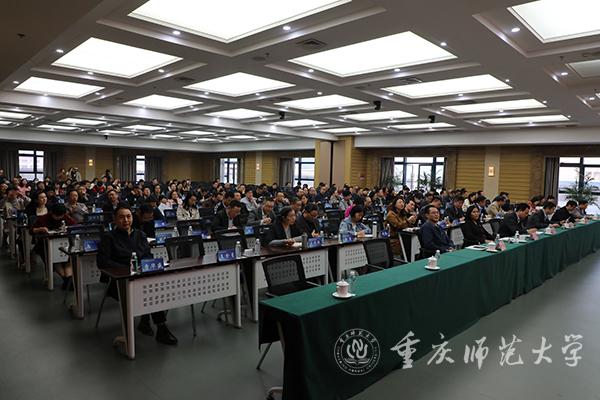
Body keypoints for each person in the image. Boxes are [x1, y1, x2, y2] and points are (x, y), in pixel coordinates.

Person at [97, 206, 177, 345]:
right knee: (149, 291)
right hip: (119, 282)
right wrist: (128, 269)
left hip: (141, 277)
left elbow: (148, 255)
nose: (126, 220)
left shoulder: (140, 235)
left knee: (154, 289)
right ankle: (158, 326)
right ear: (114, 220)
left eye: (128, 216)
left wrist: (144, 266)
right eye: (121, 217)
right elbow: (103, 262)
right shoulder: (108, 237)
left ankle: (153, 324)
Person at [31, 203, 76, 289]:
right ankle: (67, 280)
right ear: (52, 213)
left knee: (68, 258)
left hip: (64, 243)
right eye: (57, 216)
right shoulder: (43, 218)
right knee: (54, 259)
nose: (59, 218)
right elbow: (31, 230)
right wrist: (40, 229)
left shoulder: (65, 217)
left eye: (61, 216)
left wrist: (68, 228)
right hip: (46, 245)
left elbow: (74, 225)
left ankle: (68, 279)